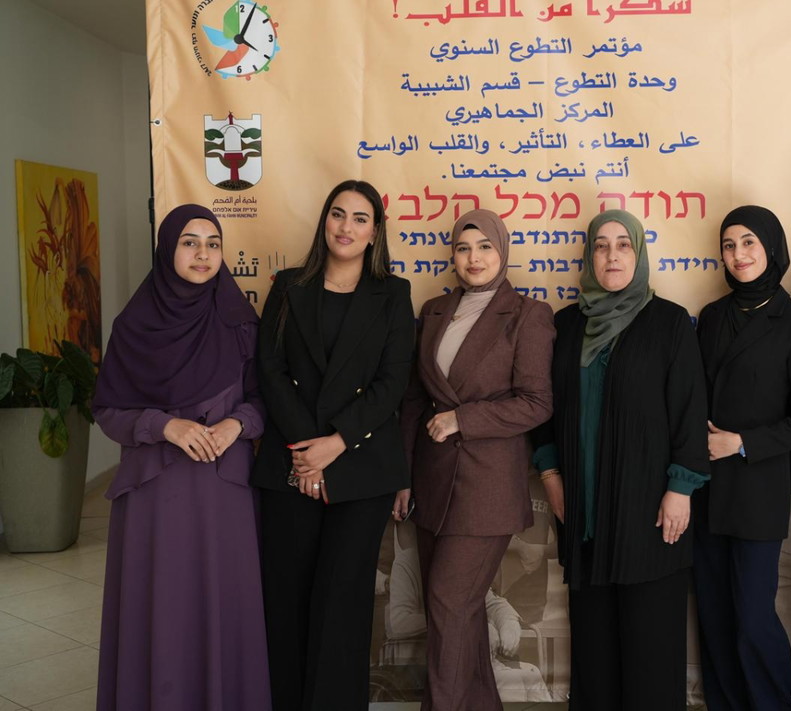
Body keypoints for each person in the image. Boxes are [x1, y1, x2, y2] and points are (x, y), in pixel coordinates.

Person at [93, 204, 270, 711]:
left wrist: (238, 424)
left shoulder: (241, 323)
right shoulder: (134, 326)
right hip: (155, 495)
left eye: (213, 244)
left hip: (224, 493)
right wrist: (164, 426)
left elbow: (265, 399)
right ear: (168, 248)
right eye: (190, 242)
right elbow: (107, 410)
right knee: (163, 609)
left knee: (225, 607)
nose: (202, 254)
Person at [535, 209, 709, 711]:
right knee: (594, 654)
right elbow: (544, 406)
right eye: (601, 246)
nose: (612, 256)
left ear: (639, 253)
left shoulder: (669, 321)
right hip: (584, 511)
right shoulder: (566, 324)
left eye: (623, 245)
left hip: (650, 511)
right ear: (589, 256)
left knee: (650, 651)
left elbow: (689, 409)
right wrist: (550, 473)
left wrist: (680, 488)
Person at [253, 179, 414, 711]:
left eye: (360, 218)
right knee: (287, 601)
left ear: (375, 232)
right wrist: (308, 453)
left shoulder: (394, 294)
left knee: (342, 607)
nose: (346, 227)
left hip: (361, 472)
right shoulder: (287, 286)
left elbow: (392, 382)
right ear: (324, 220)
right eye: (338, 214)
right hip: (290, 468)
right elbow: (271, 370)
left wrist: (336, 445)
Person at [395, 208, 555, 711]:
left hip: (486, 488)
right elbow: (414, 401)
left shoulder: (529, 314)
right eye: (463, 248)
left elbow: (536, 404)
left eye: (485, 246)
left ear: (502, 251)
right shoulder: (434, 310)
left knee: (448, 604)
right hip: (431, 483)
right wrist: (403, 477)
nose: (474, 258)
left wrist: (463, 419)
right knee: (456, 614)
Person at [693, 205, 791, 711]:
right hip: (705, 487)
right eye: (729, 245)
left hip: (757, 487)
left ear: (771, 247)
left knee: (752, 618)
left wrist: (742, 443)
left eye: (748, 242)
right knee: (714, 617)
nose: (738, 254)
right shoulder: (712, 316)